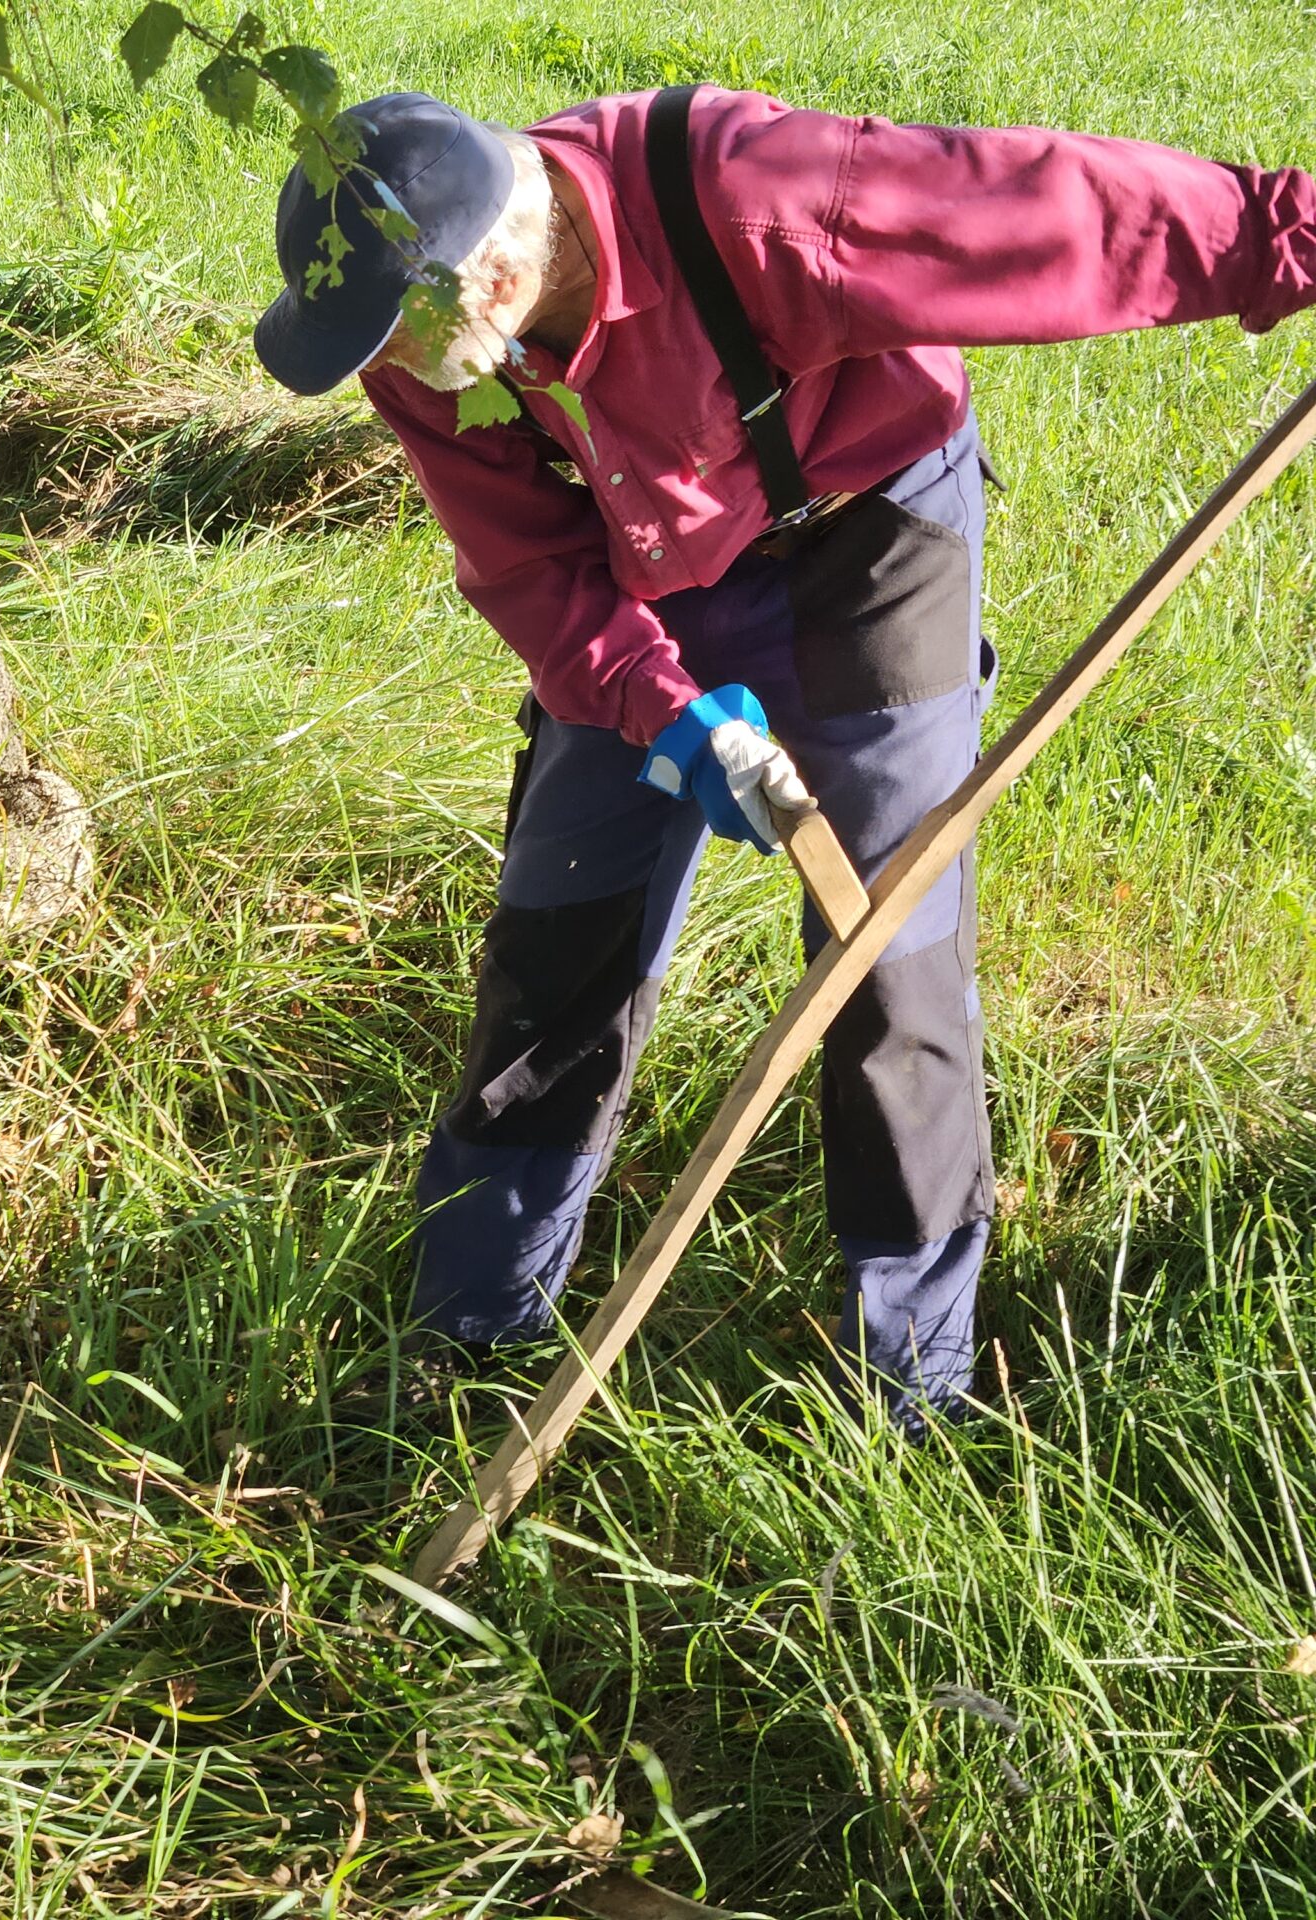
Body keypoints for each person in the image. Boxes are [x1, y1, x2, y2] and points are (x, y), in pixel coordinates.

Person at [253, 85, 1315, 1428]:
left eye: (398, 333)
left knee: (885, 950)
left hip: (858, 533)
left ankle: (910, 1390)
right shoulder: (424, 356)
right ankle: (470, 1333)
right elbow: (528, 566)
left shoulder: (760, 201)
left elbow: (1053, 212)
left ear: (499, 271)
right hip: (633, 569)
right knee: (559, 929)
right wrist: (664, 711)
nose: (385, 372)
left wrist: (1294, 236)